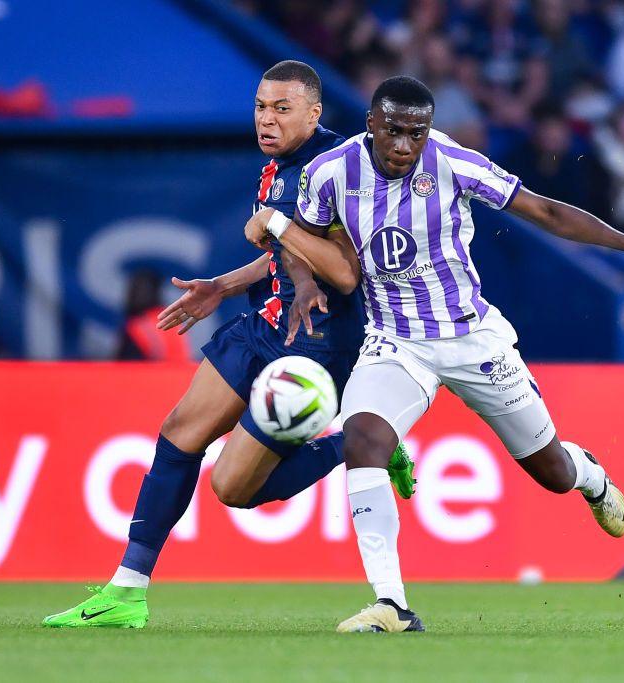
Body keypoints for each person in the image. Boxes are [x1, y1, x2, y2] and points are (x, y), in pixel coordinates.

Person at [246, 76, 624, 633]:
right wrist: (305, 281)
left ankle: (591, 477)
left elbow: (546, 212)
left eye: (417, 133)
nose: (405, 147)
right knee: (362, 439)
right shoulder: (330, 171)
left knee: (550, 471)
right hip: (396, 341)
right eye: (394, 133)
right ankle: (391, 605)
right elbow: (301, 237)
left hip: (471, 338)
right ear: (371, 125)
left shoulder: (453, 162)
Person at [42, 61, 414, 629]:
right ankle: (127, 592)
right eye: (261, 107)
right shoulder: (276, 168)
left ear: (314, 113)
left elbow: (344, 272)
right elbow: (286, 252)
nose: (267, 119)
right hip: (262, 328)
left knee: (232, 489)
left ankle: (360, 445)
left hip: (316, 349)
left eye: (281, 109)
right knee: (179, 432)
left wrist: (281, 232)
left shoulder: (337, 169)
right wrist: (223, 285)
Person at [114, 269, 191, 362]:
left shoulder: (139, 325)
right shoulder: (173, 319)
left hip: (157, 374)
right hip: (183, 374)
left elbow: (125, 365)